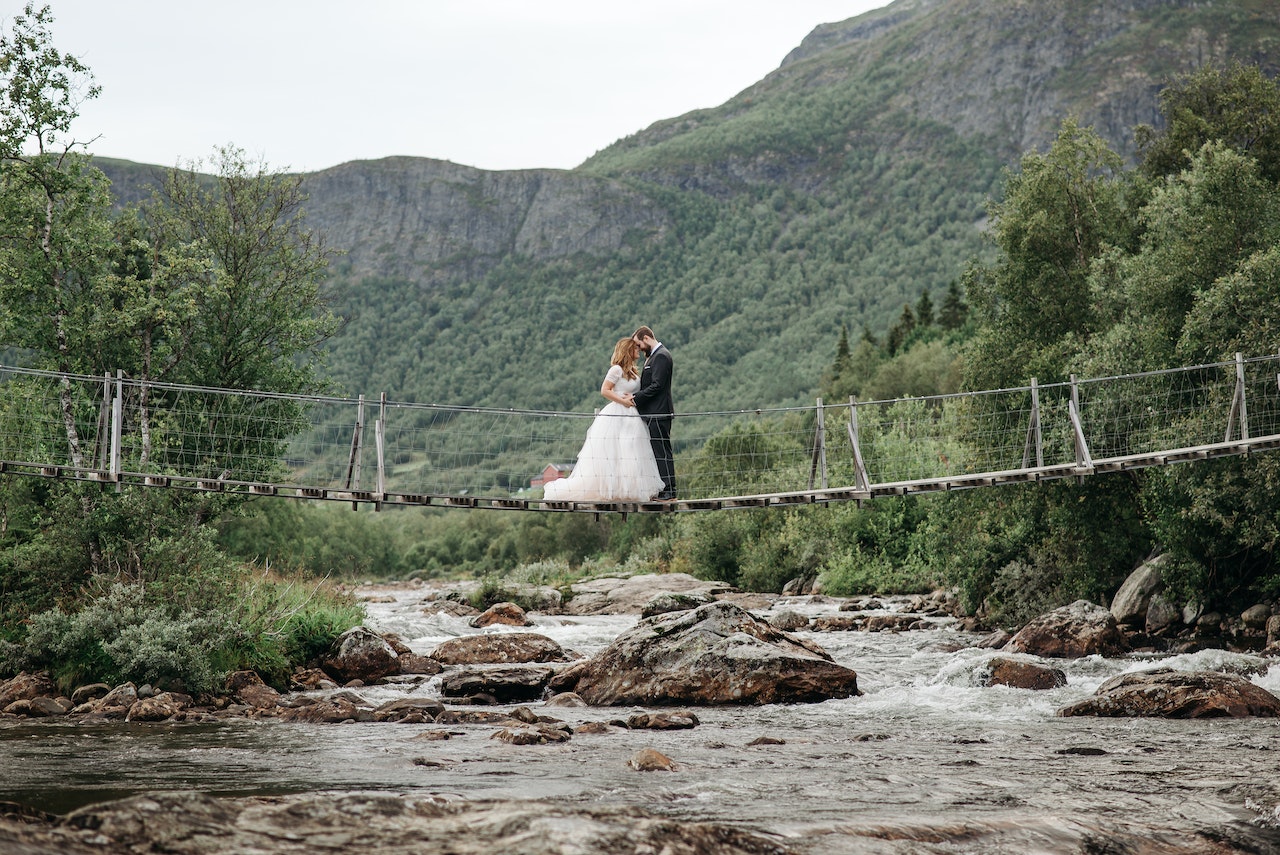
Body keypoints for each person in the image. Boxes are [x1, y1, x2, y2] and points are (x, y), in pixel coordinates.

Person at [542, 337, 665, 502]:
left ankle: (629, 489)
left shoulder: (633, 371)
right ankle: (613, 489)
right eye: (635, 348)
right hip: (618, 413)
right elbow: (605, 390)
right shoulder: (616, 370)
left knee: (631, 450)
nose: (638, 350)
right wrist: (623, 401)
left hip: (632, 416)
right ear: (627, 350)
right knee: (615, 451)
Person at [626, 325, 676, 500]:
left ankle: (669, 490)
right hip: (654, 412)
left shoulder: (661, 356)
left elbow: (657, 385)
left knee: (662, 452)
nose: (639, 349)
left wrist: (635, 398)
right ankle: (665, 488)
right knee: (658, 451)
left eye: (639, 344)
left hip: (659, 412)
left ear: (646, 338)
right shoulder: (655, 356)